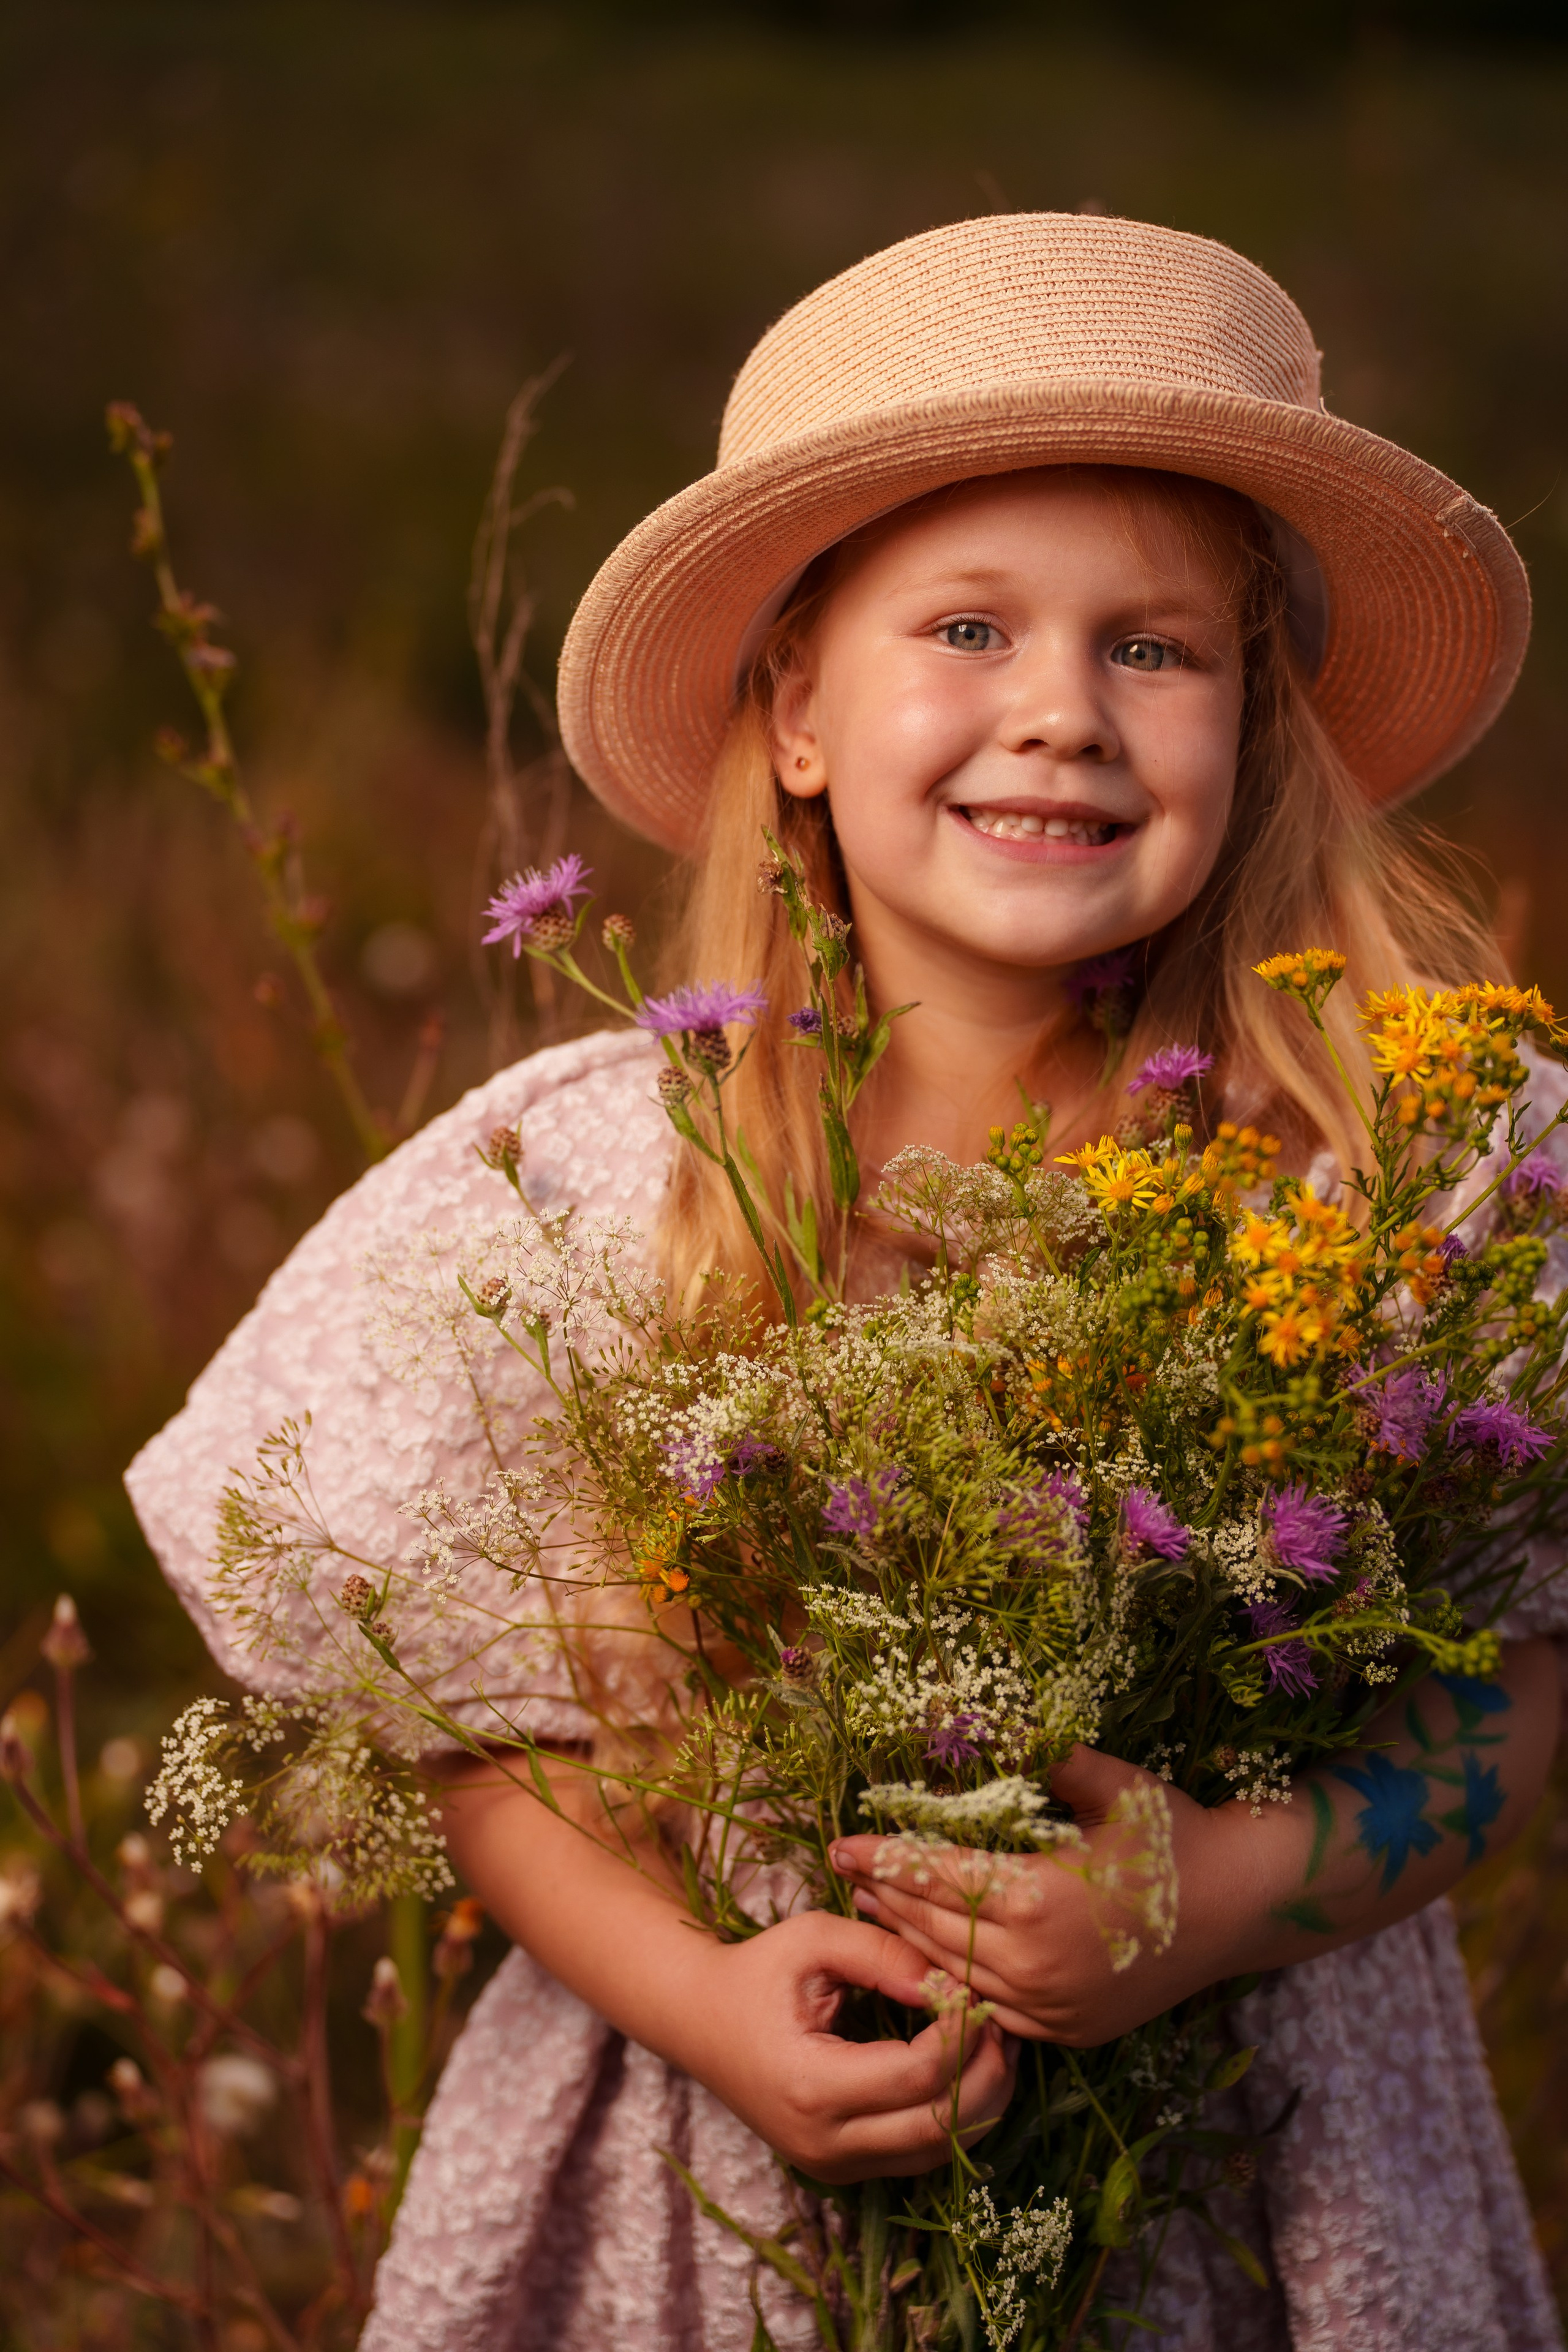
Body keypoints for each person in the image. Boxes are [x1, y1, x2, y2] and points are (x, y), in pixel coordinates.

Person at [127, 213, 1567, 2352]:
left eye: (1155, 650)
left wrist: (1194, 1913)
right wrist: (705, 1995)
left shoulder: (1389, 1170)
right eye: (968, 628)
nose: (1061, 715)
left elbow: (1518, 1674)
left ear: (1258, 723)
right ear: (796, 706)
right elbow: (485, 1751)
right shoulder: (596, 1181)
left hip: (1256, 2148)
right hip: (708, 2156)